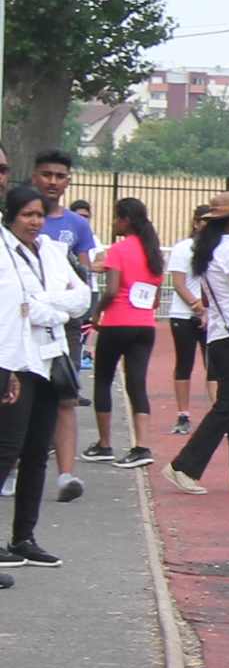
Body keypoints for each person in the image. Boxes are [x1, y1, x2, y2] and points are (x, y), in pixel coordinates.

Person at [0, 184, 94, 564]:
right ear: (11, 216)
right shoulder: (3, 251)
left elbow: (82, 298)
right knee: (7, 450)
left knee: (38, 451)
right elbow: (15, 306)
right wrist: (53, 309)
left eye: (39, 215)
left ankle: (24, 537)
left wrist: (44, 305)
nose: (35, 222)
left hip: (50, 361)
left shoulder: (53, 251)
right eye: (27, 215)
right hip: (15, 362)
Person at [167, 196, 229, 496]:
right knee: (228, 407)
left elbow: (211, 296)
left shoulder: (208, 252)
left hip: (223, 336)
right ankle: (183, 466)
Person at [87, 195, 165, 469]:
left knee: (103, 380)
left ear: (126, 220)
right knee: (137, 384)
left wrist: (97, 312)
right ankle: (141, 446)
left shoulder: (118, 250)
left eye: (116, 217)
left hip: (116, 323)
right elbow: (155, 299)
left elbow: (111, 290)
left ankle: (104, 444)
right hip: (145, 326)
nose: (113, 222)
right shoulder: (154, 253)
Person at [164, 209, 203, 435]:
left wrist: (208, 310)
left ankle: (219, 413)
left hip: (210, 316)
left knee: (215, 366)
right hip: (183, 314)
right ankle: (183, 414)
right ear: (196, 223)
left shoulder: (217, 250)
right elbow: (179, 284)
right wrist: (197, 306)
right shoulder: (183, 248)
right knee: (184, 363)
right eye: (204, 222)